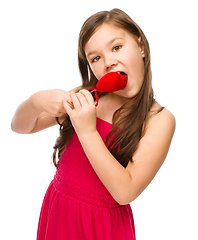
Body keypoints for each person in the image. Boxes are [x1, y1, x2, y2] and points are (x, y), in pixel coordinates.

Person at [11, 8, 175, 240]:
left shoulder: (159, 120)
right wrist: (37, 100)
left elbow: (125, 192)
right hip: (59, 212)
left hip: (103, 227)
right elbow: (20, 126)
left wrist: (87, 130)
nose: (108, 62)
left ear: (140, 47)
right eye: (96, 58)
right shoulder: (88, 97)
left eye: (116, 47)